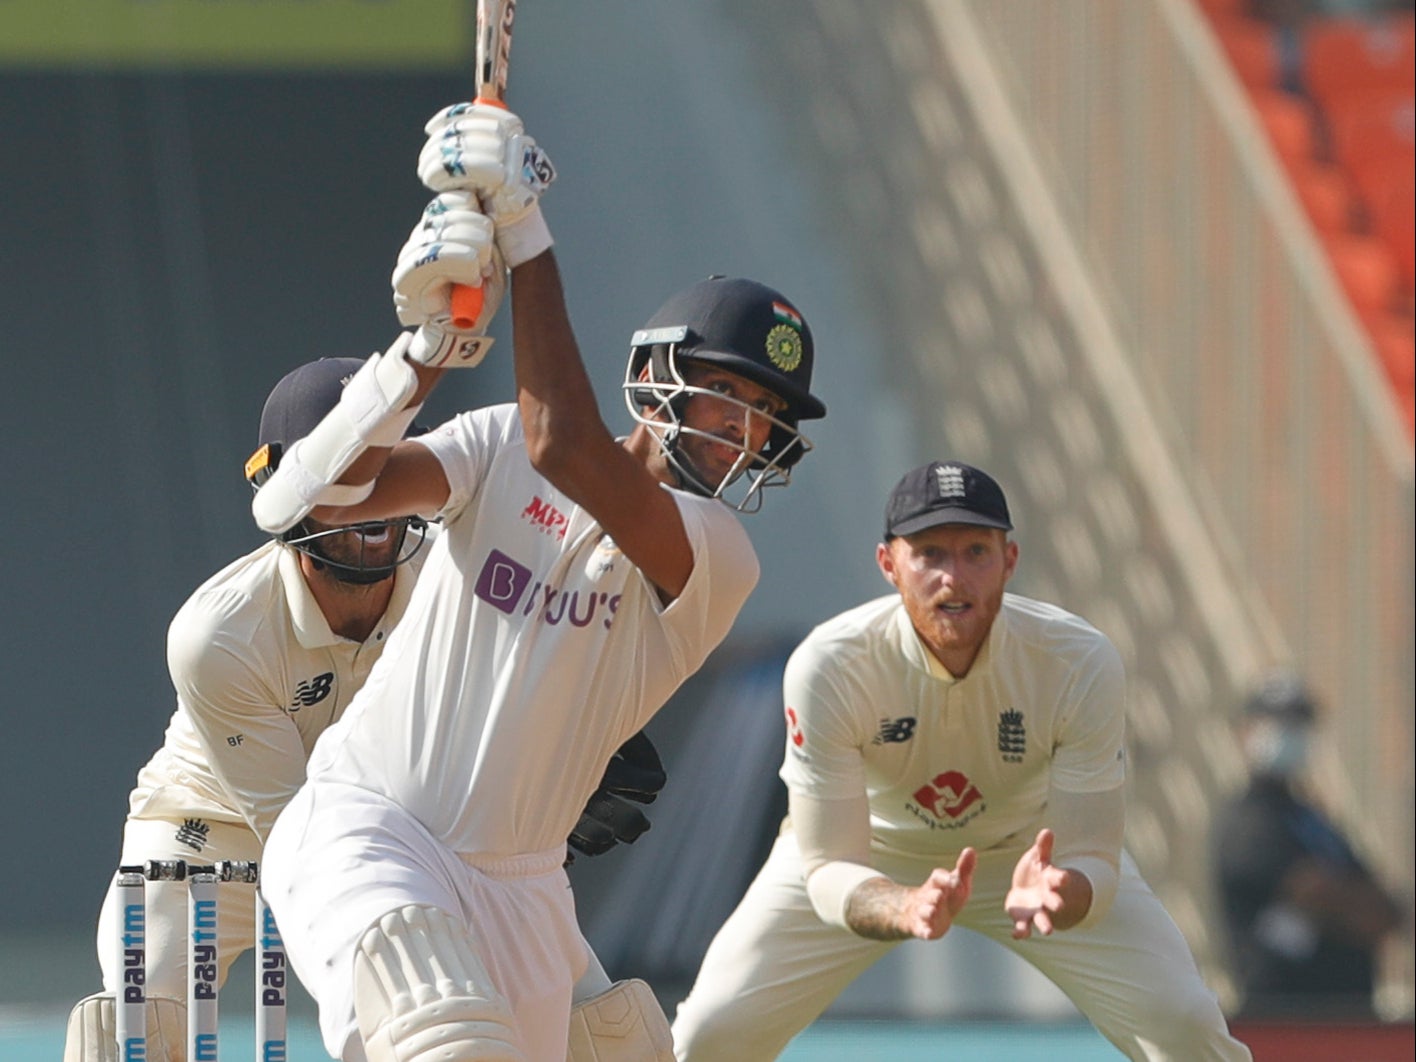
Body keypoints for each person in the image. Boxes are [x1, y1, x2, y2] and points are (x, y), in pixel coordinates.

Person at [253, 99, 827, 1062]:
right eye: (727, 391)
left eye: (764, 416)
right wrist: (428, 350)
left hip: (524, 891)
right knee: (449, 1045)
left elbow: (562, 440)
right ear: (656, 373)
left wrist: (523, 226)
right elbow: (328, 498)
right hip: (373, 828)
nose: (743, 429)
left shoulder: (719, 554)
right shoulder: (492, 449)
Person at [63, 357, 662, 1062]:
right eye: (343, 475)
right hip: (215, 829)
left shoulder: (456, 573)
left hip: (397, 815)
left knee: (604, 1022)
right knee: (137, 1022)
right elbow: (303, 838)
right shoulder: (218, 634)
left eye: (385, 472)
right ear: (287, 493)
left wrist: (562, 757)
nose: (370, 498)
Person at [671, 461, 1253, 1061]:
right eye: (929, 553)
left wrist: (1062, 889)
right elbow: (827, 869)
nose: (954, 577)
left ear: (1010, 561)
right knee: (711, 1031)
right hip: (872, 856)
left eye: (977, 550)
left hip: (1028, 854)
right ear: (888, 565)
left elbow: (1093, 860)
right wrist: (901, 903)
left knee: (1183, 1024)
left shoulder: (1079, 659)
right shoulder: (830, 664)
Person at [1213, 670, 1403, 1020]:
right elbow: (1311, 889)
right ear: (1245, 732)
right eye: (1277, 722)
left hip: (1352, 1016)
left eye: (1297, 724)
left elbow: (1386, 907)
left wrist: (1344, 905)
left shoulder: (1315, 822)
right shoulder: (1246, 820)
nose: (1289, 734)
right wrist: (1347, 905)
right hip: (1282, 1018)